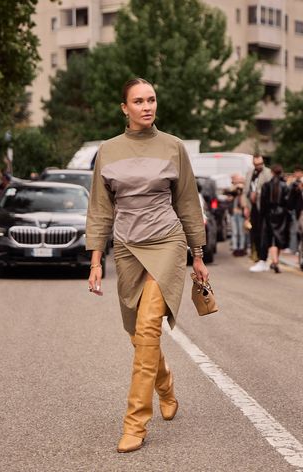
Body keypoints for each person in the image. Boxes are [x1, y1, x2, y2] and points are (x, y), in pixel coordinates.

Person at [86, 78, 208, 453]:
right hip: (126, 247)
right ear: (124, 108)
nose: (146, 106)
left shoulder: (173, 147)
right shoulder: (107, 151)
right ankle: (166, 383)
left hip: (167, 242)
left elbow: (187, 201)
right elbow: (100, 208)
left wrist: (198, 254)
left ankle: (135, 423)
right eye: (138, 101)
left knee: (149, 326)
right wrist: (95, 260)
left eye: (151, 99)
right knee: (137, 334)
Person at [259, 164, 290, 273]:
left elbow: (262, 203)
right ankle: (275, 261)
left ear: (272, 172)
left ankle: (275, 261)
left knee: (271, 238)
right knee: (278, 238)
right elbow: (288, 203)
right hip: (281, 214)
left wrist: (262, 215)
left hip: (269, 214)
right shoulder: (285, 186)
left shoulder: (266, 185)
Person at [244, 154, 271, 272]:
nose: (258, 166)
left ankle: (263, 259)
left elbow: (268, 190)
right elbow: (246, 190)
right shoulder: (250, 172)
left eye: (260, 164)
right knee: (254, 234)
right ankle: (258, 258)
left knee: (262, 234)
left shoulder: (267, 173)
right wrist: (246, 206)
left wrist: (258, 194)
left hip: (263, 208)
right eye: (256, 164)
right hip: (253, 207)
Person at [229, 183, 247, 256]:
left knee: (241, 232)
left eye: (240, 189)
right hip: (234, 215)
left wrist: (241, 194)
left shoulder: (243, 196)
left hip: (240, 215)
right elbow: (229, 191)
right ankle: (235, 248)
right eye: (238, 189)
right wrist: (236, 188)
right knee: (235, 232)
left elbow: (244, 205)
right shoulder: (233, 196)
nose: (239, 190)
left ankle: (241, 248)